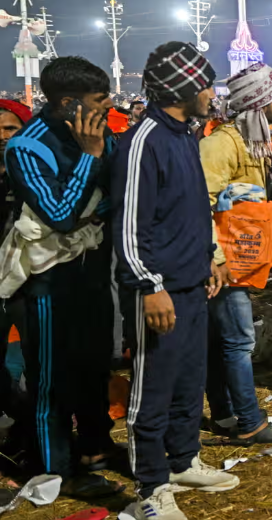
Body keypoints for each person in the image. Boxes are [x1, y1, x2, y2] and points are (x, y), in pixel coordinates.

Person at [112, 42, 238, 520]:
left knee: (189, 379)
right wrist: (149, 287)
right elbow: (130, 226)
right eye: (204, 84)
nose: (211, 93)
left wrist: (208, 257)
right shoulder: (143, 140)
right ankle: (150, 486)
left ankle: (183, 461)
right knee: (153, 388)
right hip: (159, 289)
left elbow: (188, 209)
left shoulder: (185, 135)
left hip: (192, 283)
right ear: (182, 88)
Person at [2, 57, 121, 497]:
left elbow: (116, 197)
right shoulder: (27, 147)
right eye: (99, 99)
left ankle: (95, 448)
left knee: (95, 364)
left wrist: (94, 206)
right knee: (51, 376)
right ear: (69, 103)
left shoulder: (102, 134)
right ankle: (55, 467)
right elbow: (60, 215)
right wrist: (89, 158)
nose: (108, 105)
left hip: (94, 272)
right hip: (49, 281)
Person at [199, 63, 272, 443]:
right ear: (258, 102)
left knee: (222, 341)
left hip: (238, 259)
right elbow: (201, 204)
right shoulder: (222, 144)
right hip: (224, 262)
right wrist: (216, 259)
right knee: (240, 342)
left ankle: (226, 414)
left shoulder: (255, 140)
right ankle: (250, 422)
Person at [0, 100, 29, 441]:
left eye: (10, 128)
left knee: (35, 362)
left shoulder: (34, 175)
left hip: (27, 283)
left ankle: (32, 431)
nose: (3, 136)